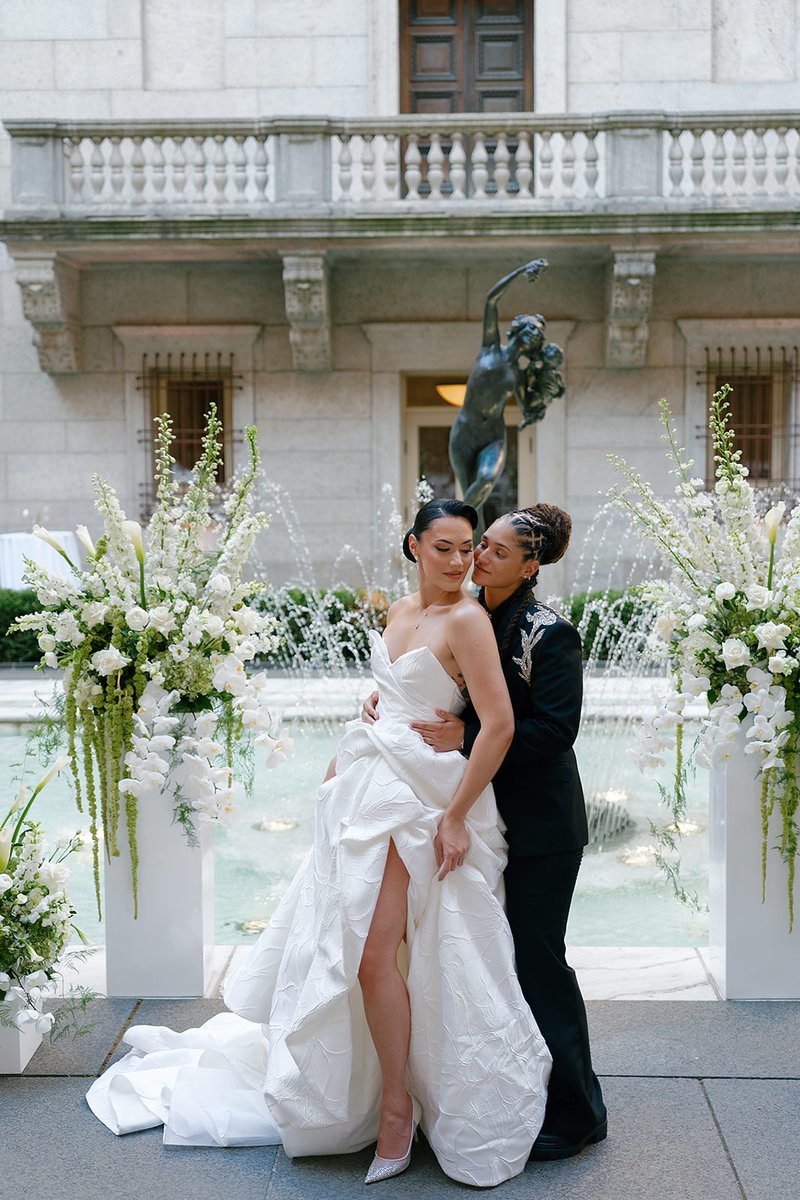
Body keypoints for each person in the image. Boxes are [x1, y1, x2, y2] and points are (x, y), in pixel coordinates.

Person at [86, 499, 552, 1189]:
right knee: (354, 948)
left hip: (421, 800)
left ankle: (398, 1108)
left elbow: (499, 726)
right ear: (414, 546)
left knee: (372, 956)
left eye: (466, 550)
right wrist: (369, 717)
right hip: (367, 782)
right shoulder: (398, 611)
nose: (460, 563)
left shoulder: (469, 619)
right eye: (445, 548)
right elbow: (392, 688)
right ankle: (381, 1093)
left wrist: (454, 817)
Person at [362, 502, 607, 1160]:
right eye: (479, 546)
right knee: (494, 957)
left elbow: (556, 729)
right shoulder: (471, 610)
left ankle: (579, 1111)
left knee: (538, 960)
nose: (478, 558)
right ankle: (526, 1084)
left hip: (542, 821)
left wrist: (465, 734)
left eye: (495, 551)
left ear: (531, 566)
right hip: (481, 804)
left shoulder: (550, 633)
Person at [448, 258, 565, 535]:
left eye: (538, 337)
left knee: (486, 480)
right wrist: (522, 271)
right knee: (472, 501)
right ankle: (472, 557)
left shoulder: (520, 374)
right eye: (531, 331)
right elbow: (491, 300)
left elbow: (527, 406)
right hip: (464, 433)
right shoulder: (490, 348)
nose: (533, 338)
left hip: (493, 435)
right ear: (518, 328)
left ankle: (450, 528)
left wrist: (546, 393)